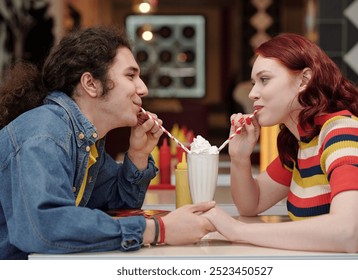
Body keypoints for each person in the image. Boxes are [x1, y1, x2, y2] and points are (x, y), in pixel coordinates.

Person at [0, 26, 215, 260]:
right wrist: (159, 230)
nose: (143, 88)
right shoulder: (44, 135)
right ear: (91, 84)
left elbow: (117, 206)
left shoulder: (86, 140)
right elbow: (46, 229)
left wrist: (138, 155)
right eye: (130, 76)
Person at [203, 33, 358, 259]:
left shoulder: (344, 134)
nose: (252, 93)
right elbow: (252, 204)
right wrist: (240, 158)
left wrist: (239, 231)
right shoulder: (304, 140)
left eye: (264, 79)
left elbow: (349, 233)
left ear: (304, 80)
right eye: (254, 83)